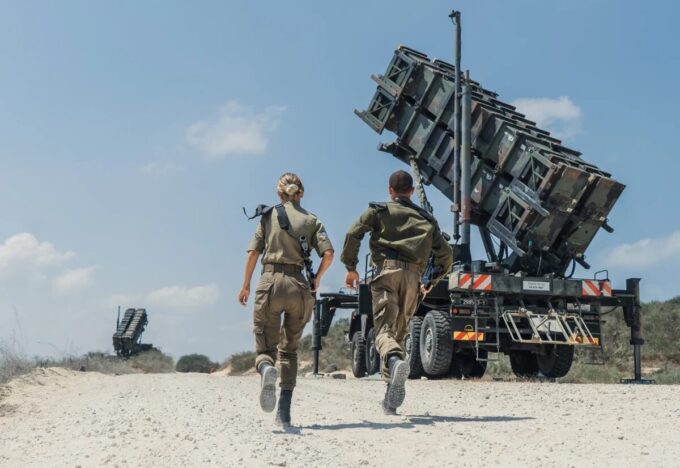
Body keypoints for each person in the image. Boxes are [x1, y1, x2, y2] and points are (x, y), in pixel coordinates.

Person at [340, 170, 453, 414]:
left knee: (384, 332)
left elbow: (352, 233)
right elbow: (446, 255)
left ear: (390, 190)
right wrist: (430, 281)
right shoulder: (427, 220)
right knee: (398, 336)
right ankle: (390, 400)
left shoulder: (378, 211)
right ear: (412, 191)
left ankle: (394, 365)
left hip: (386, 274)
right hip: (413, 279)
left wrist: (351, 267)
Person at [238, 173, 334, 427]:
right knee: (289, 351)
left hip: (270, 282)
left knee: (265, 349)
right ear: (301, 193)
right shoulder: (312, 220)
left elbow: (253, 253)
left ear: (279, 193)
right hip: (299, 287)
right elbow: (328, 254)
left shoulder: (268, 216)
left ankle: (266, 368)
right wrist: (317, 279)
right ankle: (284, 413)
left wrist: (246, 285)